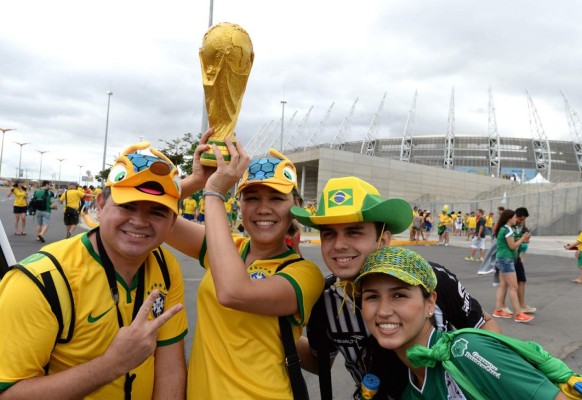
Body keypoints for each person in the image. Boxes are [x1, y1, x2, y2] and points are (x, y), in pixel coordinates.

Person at [0, 142, 188, 399]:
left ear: (173, 222)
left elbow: (170, 370)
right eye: (128, 206)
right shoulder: (41, 281)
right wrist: (112, 365)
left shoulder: (165, 266)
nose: (139, 221)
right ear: (100, 205)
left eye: (157, 211)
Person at [291, 177, 500, 400]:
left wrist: (490, 381)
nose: (339, 244)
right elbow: (319, 360)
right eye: (329, 234)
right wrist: (270, 329)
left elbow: (483, 323)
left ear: (382, 240)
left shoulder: (431, 280)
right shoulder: (325, 298)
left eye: (354, 232)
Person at [166, 133, 324, 399]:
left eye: (276, 198)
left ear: (295, 206)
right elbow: (154, 216)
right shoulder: (230, 249)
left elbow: (233, 292)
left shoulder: (304, 274)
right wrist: (197, 182)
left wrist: (214, 194)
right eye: (251, 198)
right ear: (239, 206)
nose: (263, 208)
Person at [357, 246, 578, 400]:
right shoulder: (411, 386)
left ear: (430, 304)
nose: (384, 311)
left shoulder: (468, 351)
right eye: (372, 297)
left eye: (399, 296)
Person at [491, 209, 533, 323]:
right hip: (506, 260)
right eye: (514, 217)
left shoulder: (503, 229)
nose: (516, 219)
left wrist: (522, 239)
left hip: (500, 259)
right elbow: (512, 246)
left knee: (503, 286)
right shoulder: (508, 229)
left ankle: (498, 310)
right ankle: (518, 314)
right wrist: (523, 239)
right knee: (514, 287)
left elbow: (509, 243)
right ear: (509, 218)